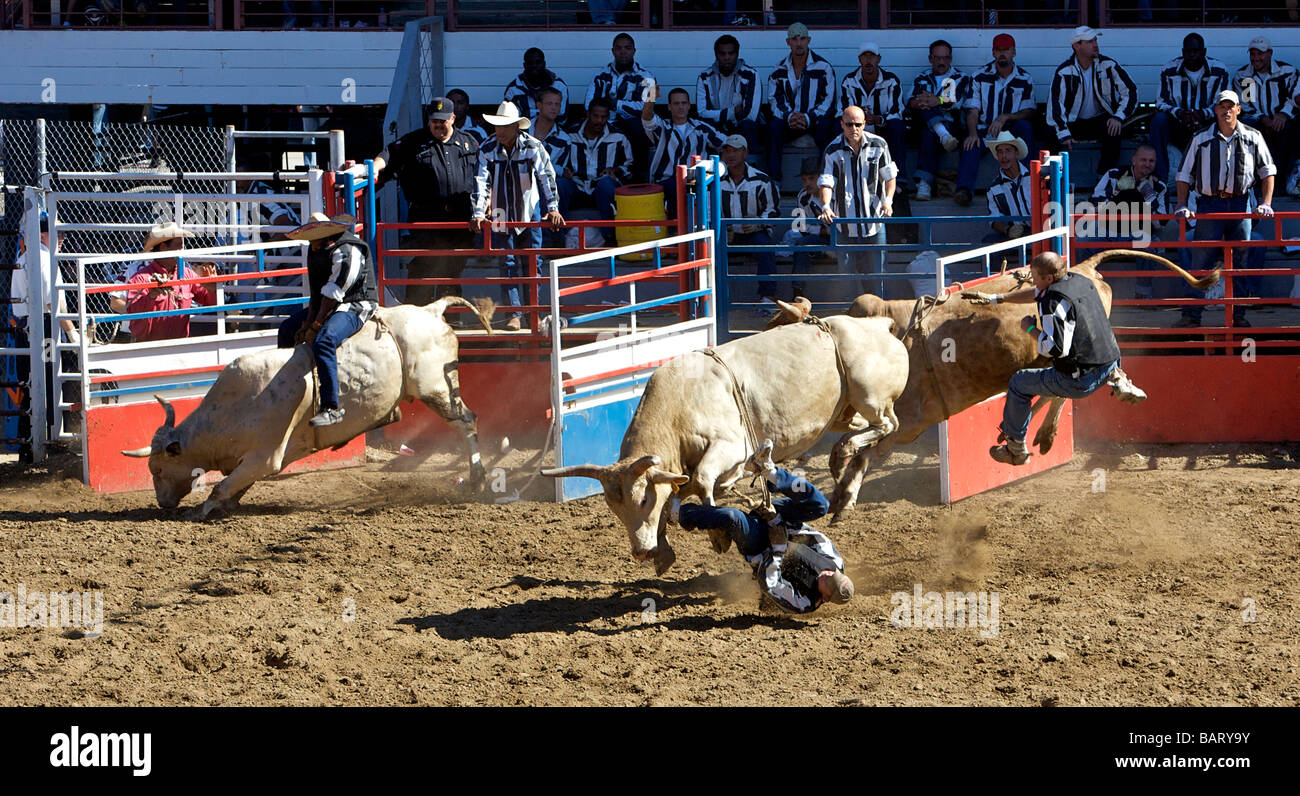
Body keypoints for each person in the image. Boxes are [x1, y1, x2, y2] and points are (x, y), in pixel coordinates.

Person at [963, 251, 1121, 467]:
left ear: (1049, 279)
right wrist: (998, 298)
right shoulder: (1080, 281)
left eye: (1035, 277)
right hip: (1110, 362)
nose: (1032, 281)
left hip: (1080, 379)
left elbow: (1054, 349)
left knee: (1019, 383)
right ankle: (1120, 379)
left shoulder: (1052, 303)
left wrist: (1029, 327)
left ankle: (1015, 448)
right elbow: (1036, 293)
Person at [673, 440, 855, 614]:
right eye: (833, 575)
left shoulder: (804, 602)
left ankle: (679, 514)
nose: (828, 574)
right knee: (820, 505)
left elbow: (770, 584)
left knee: (732, 517)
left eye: (828, 581)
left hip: (761, 548)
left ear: (826, 597)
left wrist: (778, 547)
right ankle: (769, 471)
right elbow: (810, 534)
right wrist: (775, 520)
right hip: (781, 524)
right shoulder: (834, 563)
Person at [1173, 89, 1276, 328]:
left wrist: (1266, 202)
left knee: (1240, 260)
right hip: (1210, 204)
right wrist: (1181, 203)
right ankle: (1191, 315)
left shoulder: (1253, 136)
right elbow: (1184, 174)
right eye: (1222, 106)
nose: (1227, 110)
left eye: (1231, 106)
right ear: (1216, 110)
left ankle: (1237, 316)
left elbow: (1267, 171)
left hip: (1240, 203)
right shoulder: (1201, 138)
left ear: (1238, 109)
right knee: (1201, 259)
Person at [369, 97, 478, 306]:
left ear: (453, 118)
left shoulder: (468, 142)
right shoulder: (414, 142)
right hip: (427, 219)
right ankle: (417, 315)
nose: (438, 125)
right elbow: (389, 155)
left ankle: (451, 317)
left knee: (453, 268)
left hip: (460, 220)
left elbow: (484, 174)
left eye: (443, 120)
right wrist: (374, 166)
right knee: (425, 267)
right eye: (434, 120)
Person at [276, 212, 378, 428]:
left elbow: (335, 293)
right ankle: (287, 390)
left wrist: (316, 325)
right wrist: (307, 323)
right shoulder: (318, 251)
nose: (311, 244)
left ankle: (331, 407)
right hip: (330, 301)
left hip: (357, 303)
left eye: (314, 238)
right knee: (286, 330)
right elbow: (317, 292)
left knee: (324, 341)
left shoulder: (347, 250)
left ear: (325, 236)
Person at [470, 101, 565, 331]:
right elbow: (481, 181)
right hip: (501, 210)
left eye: (505, 126)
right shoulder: (487, 148)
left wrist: (552, 207)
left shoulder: (533, 146)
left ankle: (534, 311)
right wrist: (478, 212)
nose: (500, 131)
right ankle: (515, 313)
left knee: (533, 259)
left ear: (515, 126)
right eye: (498, 126)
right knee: (508, 260)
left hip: (528, 210)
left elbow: (546, 176)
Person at [9, 211, 81, 461]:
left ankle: (28, 446)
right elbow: (55, 306)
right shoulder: (45, 259)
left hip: (26, 329)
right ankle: (50, 442)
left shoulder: (25, 257)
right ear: (41, 234)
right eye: (56, 233)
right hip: (45, 329)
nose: (61, 238)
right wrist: (72, 333)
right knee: (51, 383)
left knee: (29, 385)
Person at [816, 106, 898, 297]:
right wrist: (826, 206)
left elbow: (890, 176)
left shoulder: (879, 144)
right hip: (844, 222)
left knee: (878, 273)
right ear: (842, 125)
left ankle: (878, 316)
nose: (854, 128)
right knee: (846, 275)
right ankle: (850, 313)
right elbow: (826, 182)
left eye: (858, 124)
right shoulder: (832, 149)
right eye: (849, 124)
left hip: (874, 219)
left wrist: (888, 200)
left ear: (865, 124)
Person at [1047, 26, 1138, 179]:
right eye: (1089, 41)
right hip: (1073, 122)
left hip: (1100, 120)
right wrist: (1063, 133)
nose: (1095, 44)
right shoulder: (1064, 71)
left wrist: (1118, 116)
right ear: (1077, 46)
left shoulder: (1108, 65)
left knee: (1114, 129)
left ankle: (1105, 179)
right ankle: (1052, 181)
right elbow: (1055, 106)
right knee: (1051, 134)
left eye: (1095, 40)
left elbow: (1130, 92)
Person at [956, 33, 1036, 207]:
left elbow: (1029, 111)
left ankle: (1029, 185)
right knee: (971, 143)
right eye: (999, 50)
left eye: (1006, 50)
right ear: (993, 53)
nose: (1002, 54)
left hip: (1012, 129)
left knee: (1025, 127)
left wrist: (1006, 116)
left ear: (1013, 52)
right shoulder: (979, 76)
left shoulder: (1024, 78)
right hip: (987, 129)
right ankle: (964, 190)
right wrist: (972, 132)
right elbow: (972, 110)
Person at [1091, 144, 1171, 301]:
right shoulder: (1114, 175)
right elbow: (1094, 203)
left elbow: (1162, 221)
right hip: (1108, 230)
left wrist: (1146, 193)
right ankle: (1088, 292)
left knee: (1151, 247)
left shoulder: (1159, 186)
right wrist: (1118, 194)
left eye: (1151, 161)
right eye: (1143, 160)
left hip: (1138, 233)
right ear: (1133, 160)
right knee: (1082, 242)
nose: (1147, 164)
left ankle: (1143, 295)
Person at [1150, 33, 1231, 183]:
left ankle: (1220, 177)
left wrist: (1202, 114)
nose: (1192, 55)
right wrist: (1180, 113)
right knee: (1158, 120)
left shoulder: (1219, 70)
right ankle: (1161, 178)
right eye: (1188, 51)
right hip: (1178, 123)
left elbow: (1224, 102)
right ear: (1182, 52)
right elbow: (1161, 102)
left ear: (1204, 52)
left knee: (1226, 119)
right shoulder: (1169, 69)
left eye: (1196, 51)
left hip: (1207, 123)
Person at [766, 22, 837, 182]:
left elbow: (828, 100)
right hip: (788, 122)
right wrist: (790, 117)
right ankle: (774, 181)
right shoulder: (778, 69)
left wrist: (807, 118)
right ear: (788, 42)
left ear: (809, 40)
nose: (799, 43)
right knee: (773, 128)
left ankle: (826, 178)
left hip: (814, 120)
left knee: (827, 126)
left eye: (802, 38)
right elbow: (774, 100)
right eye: (794, 39)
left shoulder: (823, 67)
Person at [125, 223, 218, 342]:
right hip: (148, 346)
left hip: (178, 344)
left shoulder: (187, 274)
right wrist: (151, 296)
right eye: (179, 246)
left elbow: (210, 302)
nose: (182, 250)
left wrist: (212, 288)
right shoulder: (141, 278)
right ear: (163, 247)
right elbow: (132, 312)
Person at [558, 98, 632, 248]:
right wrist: (563, 171)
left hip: (602, 187)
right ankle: (558, 238)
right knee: (559, 185)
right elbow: (557, 160)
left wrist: (616, 170)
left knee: (606, 185)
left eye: (604, 117)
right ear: (588, 114)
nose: (599, 121)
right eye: (595, 116)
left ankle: (610, 238)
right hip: (577, 186)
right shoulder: (570, 134)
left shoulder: (618, 136)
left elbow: (630, 166)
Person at [642, 86, 724, 220]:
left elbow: (725, 144)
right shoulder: (663, 127)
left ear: (689, 106)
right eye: (676, 103)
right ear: (669, 107)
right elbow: (647, 119)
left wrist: (723, 164)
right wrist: (650, 98)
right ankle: (676, 228)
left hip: (696, 179)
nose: (680, 107)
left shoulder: (701, 128)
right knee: (675, 186)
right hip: (666, 180)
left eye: (684, 103)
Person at [717, 134, 780, 306]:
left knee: (765, 246)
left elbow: (773, 211)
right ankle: (713, 297)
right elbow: (708, 211)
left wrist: (758, 223)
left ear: (745, 153)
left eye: (735, 151)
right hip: (726, 234)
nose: (730, 155)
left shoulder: (762, 180)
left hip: (754, 234)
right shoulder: (715, 181)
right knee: (708, 247)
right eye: (727, 151)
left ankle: (768, 297)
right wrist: (720, 229)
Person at [585, 33, 656, 178]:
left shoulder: (647, 77)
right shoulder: (600, 75)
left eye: (627, 48)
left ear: (634, 51)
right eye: (618, 48)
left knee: (638, 126)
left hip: (631, 125)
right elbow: (588, 104)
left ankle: (638, 176)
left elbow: (648, 107)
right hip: (604, 121)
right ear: (613, 51)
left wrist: (616, 104)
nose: (623, 52)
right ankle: (590, 176)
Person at [908, 39, 972, 202]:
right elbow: (908, 100)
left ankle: (924, 184)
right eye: (937, 58)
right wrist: (921, 103)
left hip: (952, 127)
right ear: (930, 58)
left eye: (945, 58)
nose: (941, 62)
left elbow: (957, 101)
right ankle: (941, 134)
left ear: (950, 59)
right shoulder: (922, 78)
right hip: (928, 128)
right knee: (925, 112)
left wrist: (938, 100)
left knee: (929, 132)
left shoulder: (959, 77)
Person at [1235, 36, 1297, 194]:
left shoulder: (1287, 72)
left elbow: (1295, 98)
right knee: (1248, 129)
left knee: (1289, 131)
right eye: (1253, 54)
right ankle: (1255, 183)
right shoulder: (1244, 76)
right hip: (1258, 121)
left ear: (1270, 53)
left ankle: (1282, 181)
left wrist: (1283, 115)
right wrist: (1263, 119)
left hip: (1282, 122)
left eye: (1260, 54)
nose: (1256, 58)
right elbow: (1246, 105)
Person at [839, 42, 905, 182]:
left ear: (879, 59)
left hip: (883, 127)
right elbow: (844, 110)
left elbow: (897, 110)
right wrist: (858, 122)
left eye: (872, 56)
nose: (868, 61)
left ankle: (899, 180)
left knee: (897, 126)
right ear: (859, 59)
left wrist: (878, 119)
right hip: (857, 127)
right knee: (837, 127)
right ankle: (844, 178)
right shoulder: (849, 81)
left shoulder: (891, 81)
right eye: (865, 57)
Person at [695, 34, 763, 147]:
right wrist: (732, 111)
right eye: (722, 53)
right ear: (716, 55)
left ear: (737, 54)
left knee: (749, 125)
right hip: (717, 126)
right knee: (703, 126)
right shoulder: (705, 77)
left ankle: (749, 163)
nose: (727, 57)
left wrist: (718, 114)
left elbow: (751, 115)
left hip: (742, 126)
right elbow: (701, 113)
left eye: (731, 53)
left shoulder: (750, 75)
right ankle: (709, 163)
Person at [783, 155, 830, 300]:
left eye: (811, 178)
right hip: (818, 238)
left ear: (821, 178)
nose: (807, 183)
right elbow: (801, 226)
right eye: (804, 179)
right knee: (801, 245)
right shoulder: (802, 197)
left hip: (843, 236)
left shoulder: (836, 193)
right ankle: (797, 294)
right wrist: (823, 231)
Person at [982, 132, 1033, 247]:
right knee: (988, 242)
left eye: (1008, 151)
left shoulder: (1034, 178)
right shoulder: (993, 188)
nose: (1004, 156)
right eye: (1000, 152)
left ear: (1016, 153)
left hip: (1039, 230)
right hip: (1012, 234)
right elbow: (993, 219)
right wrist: (1007, 229)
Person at [504, 47, 571, 126]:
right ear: (525, 65)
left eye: (538, 62)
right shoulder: (513, 89)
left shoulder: (558, 86)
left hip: (552, 133)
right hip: (523, 134)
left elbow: (561, 118)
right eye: (530, 63)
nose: (534, 66)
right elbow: (510, 120)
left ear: (544, 64)